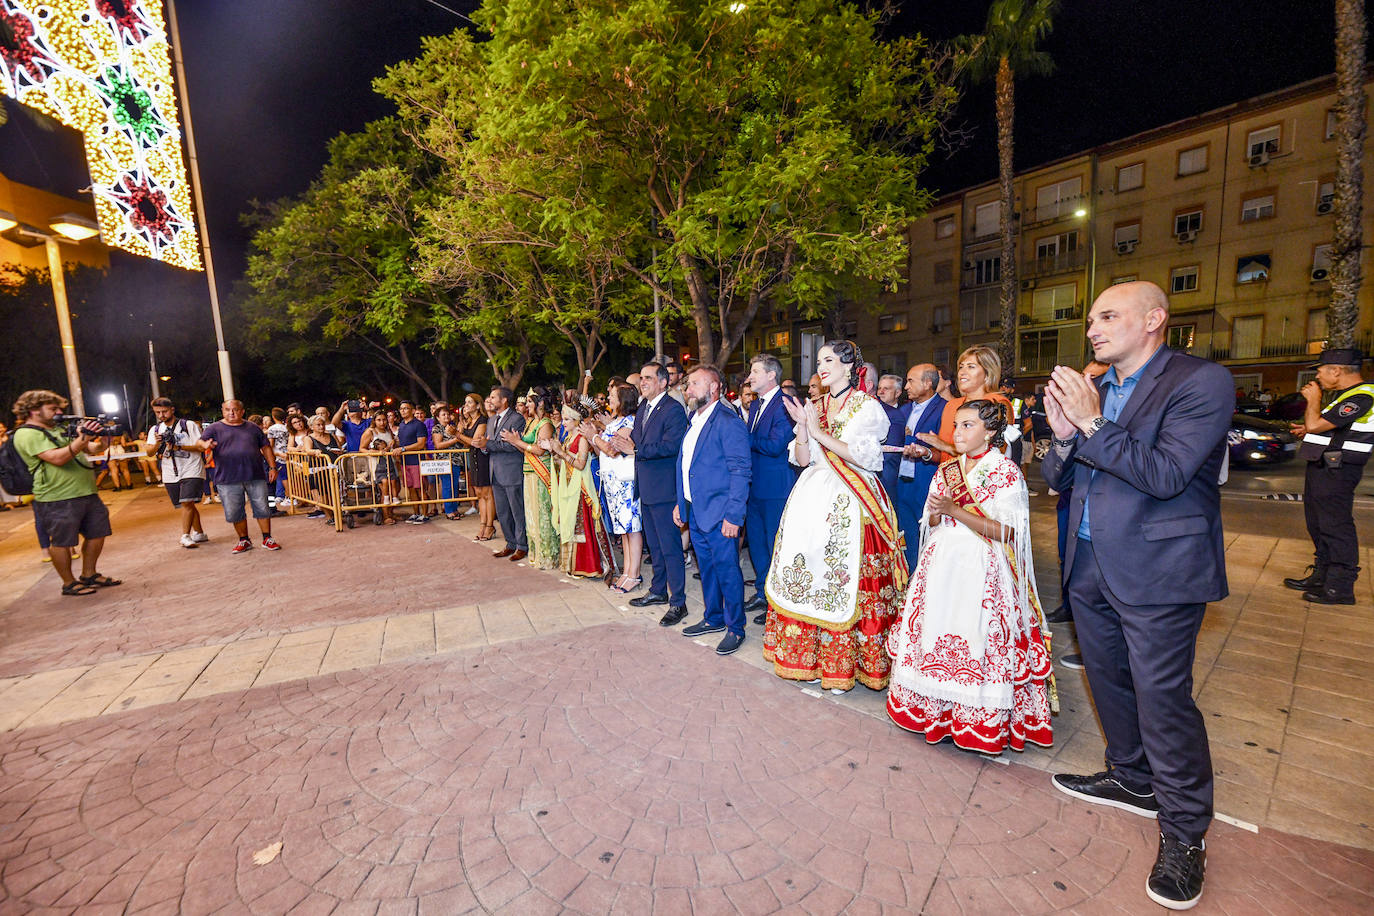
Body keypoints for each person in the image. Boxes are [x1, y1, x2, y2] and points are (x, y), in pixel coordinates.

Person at [1041, 280, 1232, 911]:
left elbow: (1168, 474)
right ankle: (1130, 777)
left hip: (1160, 567)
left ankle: (1184, 836)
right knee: (1107, 679)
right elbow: (1056, 477)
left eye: (1108, 316)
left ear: (1154, 319)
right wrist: (1066, 435)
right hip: (1091, 559)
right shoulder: (1102, 388)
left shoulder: (1198, 382)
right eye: (1091, 317)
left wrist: (1092, 419)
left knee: (1162, 698)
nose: (1092, 328)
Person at [886, 399, 1053, 754]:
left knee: (975, 637)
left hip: (981, 566)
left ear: (990, 432)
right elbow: (930, 522)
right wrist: (935, 514)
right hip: (942, 562)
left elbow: (1008, 533)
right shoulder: (947, 470)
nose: (957, 433)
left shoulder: (1005, 471)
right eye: (956, 425)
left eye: (967, 426)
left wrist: (954, 510)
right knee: (934, 633)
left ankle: (974, 718)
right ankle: (934, 711)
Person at [763, 341, 908, 693]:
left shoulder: (867, 406)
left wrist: (818, 432)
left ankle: (847, 665)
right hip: (813, 494)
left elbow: (866, 458)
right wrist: (802, 429)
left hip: (851, 497)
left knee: (845, 577)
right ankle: (809, 659)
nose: (821, 366)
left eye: (829, 360)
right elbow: (801, 458)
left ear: (848, 365)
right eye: (819, 360)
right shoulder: (814, 405)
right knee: (808, 572)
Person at [1284, 348, 1372, 604]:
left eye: (1321, 370)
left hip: (1339, 469)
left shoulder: (1362, 396)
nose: (1318, 376)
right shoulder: (1346, 396)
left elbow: (1317, 424)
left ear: (1336, 370)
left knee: (1336, 526)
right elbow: (1330, 429)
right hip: (1325, 465)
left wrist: (1314, 400)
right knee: (1318, 523)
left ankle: (1341, 587)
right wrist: (1310, 431)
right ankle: (1322, 576)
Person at [11, 390, 119, 595]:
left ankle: (89, 574)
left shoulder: (59, 427)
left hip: (86, 491)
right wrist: (81, 440)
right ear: (34, 410)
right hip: (56, 497)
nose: (59, 412)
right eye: (53, 409)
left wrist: (104, 440)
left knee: (98, 532)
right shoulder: (27, 434)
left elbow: (90, 448)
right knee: (63, 541)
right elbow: (56, 458)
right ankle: (68, 582)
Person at [675, 366, 752, 655]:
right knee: (706, 569)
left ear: (715, 387)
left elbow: (741, 471)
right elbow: (687, 467)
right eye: (687, 384)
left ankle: (735, 627)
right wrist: (680, 503)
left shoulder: (727, 422)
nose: (688, 389)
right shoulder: (693, 420)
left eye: (695, 383)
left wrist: (734, 516)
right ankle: (714, 618)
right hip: (696, 510)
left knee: (728, 571)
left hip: (720, 513)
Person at [627, 362, 690, 624]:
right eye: (641, 378)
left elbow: (671, 446)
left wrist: (637, 449)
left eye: (648, 378)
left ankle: (679, 603)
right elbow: (636, 439)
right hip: (647, 488)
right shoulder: (644, 406)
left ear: (663, 382)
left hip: (664, 490)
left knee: (671, 548)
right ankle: (657, 591)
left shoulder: (673, 410)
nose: (643, 382)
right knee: (655, 547)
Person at [742, 353, 795, 624]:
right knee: (758, 545)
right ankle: (763, 591)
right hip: (755, 486)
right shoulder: (756, 404)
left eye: (755, 372)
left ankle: (777, 602)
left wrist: (744, 436)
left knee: (776, 544)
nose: (750, 377)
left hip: (775, 488)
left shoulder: (784, 404)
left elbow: (775, 446)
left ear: (771, 375)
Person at [544, 400, 616, 579]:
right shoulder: (568, 438)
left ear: (577, 421)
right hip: (569, 488)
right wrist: (553, 452)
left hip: (581, 491)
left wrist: (560, 452)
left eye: (567, 419)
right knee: (570, 525)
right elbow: (563, 462)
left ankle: (589, 566)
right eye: (564, 418)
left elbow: (580, 464)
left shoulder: (582, 440)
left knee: (582, 528)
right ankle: (573, 565)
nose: (564, 422)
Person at [201, 400, 282, 554]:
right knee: (233, 511)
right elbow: (200, 442)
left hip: (255, 475)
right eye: (227, 410)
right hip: (227, 478)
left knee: (262, 507)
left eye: (235, 410)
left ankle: (267, 538)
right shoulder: (214, 428)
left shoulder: (252, 428)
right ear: (222, 411)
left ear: (242, 411)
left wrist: (272, 467)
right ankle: (244, 540)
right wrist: (204, 446)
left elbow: (265, 447)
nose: (232, 413)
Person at [588, 383, 642, 592]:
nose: (609, 399)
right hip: (613, 482)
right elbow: (600, 450)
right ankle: (627, 571)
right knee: (622, 530)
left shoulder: (630, 421)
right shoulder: (617, 421)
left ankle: (634, 574)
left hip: (625, 483)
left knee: (632, 528)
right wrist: (594, 436)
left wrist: (593, 436)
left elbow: (612, 449)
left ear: (623, 400)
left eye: (612, 396)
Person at [918, 346, 1013, 463]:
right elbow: (944, 455)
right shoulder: (951, 405)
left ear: (987, 374)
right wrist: (926, 452)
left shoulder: (996, 403)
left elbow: (996, 454)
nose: (962, 372)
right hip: (948, 478)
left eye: (971, 367)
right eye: (961, 367)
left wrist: (945, 446)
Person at [893, 363, 946, 572]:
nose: (906, 386)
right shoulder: (903, 410)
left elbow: (946, 447)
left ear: (928, 383)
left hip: (926, 481)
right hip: (902, 482)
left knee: (930, 536)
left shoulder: (944, 409)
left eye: (911, 381)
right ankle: (909, 578)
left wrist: (915, 443)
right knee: (907, 536)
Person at [503, 386, 559, 568]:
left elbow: (541, 450)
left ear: (540, 402)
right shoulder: (531, 423)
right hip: (529, 472)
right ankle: (536, 554)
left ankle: (548, 556)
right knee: (532, 515)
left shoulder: (546, 424)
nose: (526, 405)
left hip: (541, 474)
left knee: (542, 515)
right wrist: (515, 441)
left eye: (529, 401)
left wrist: (517, 441)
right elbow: (525, 448)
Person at [145, 397, 208, 549]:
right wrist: (159, 443)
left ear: (172, 409)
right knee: (187, 504)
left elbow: (201, 447)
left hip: (191, 468)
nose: (161, 415)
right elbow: (148, 452)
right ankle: (199, 533)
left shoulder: (188, 425)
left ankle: (185, 535)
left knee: (187, 502)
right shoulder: (155, 430)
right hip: (170, 471)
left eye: (164, 411)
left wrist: (179, 447)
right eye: (158, 412)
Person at [486, 387, 528, 561]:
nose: (490, 400)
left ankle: (522, 545)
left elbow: (513, 445)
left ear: (504, 400)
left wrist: (487, 445)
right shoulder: (491, 420)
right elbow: (490, 444)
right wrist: (483, 446)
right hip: (495, 471)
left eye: (493, 397)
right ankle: (510, 543)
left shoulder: (516, 419)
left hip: (511, 471)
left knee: (517, 510)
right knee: (503, 512)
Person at [455, 394, 494, 538]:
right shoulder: (469, 422)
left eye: (470, 402)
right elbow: (466, 443)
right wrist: (461, 430)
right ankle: (482, 524)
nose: (466, 405)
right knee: (479, 494)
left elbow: (476, 442)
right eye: (465, 402)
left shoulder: (483, 421)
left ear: (478, 405)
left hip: (483, 459)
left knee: (487, 494)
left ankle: (489, 526)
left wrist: (458, 434)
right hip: (473, 458)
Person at [359, 411, 400, 524]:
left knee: (394, 488)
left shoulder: (388, 431)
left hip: (390, 463)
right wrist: (373, 452)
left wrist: (394, 443)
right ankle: (386, 516)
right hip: (377, 465)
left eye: (384, 420)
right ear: (374, 421)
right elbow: (361, 448)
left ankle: (391, 513)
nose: (382, 422)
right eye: (379, 420)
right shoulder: (370, 432)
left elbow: (393, 446)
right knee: (384, 490)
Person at [393, 401, 429, 523]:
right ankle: (416, 513)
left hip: (416, 461)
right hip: (405, 462)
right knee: (411, 488)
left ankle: (425, 514)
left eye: (406, 408)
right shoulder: (402, 425)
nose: (403, 411)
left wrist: (403, 449)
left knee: (420, 488)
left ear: (412, 410)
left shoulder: (419, 425)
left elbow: (421, 443)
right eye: (401, 408)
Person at [875, 372, 905, 497]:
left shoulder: (897, 415)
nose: (881, 392)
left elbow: (890, 453)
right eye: (879, 388)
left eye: (886, 389)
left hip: (885, 476)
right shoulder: (872, 411)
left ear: (898, 393)